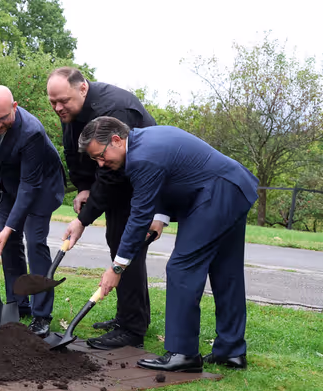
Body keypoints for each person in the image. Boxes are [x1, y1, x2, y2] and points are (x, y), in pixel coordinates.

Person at [80, 117, 257, 372]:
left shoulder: (141, 158)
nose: (101, 163)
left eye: (101, 155)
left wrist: (117, 268)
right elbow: (169, 173)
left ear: (116, 140)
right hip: (233, 188)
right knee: (225, 270)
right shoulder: (145, 141)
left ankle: (183, 353)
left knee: (181, 269)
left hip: (213, 195)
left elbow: (138, 216)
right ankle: (231, 351)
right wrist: (160, 216)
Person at [46, 67, 159, 349]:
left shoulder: (114, 109)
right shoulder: (70, 109)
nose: (58, 108)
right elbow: (73, 150)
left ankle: (132, 330)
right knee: (116, 242)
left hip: (138, 181)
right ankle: (128, 316)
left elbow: (111, 175)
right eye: (53, 102)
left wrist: (83, 219)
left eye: (63, 101)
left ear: (83, 89)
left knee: (127, 246)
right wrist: (84, 186)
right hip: (118, 179)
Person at [0, 85, 66, 337]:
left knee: (35, 242)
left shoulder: (31, 131)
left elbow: (30, 185)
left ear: (14, 107)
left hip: (40, 188)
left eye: (3, 119)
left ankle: (41, 315)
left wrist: (10, 227)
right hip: (9, 186)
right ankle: (18, 303)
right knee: (9, 244)